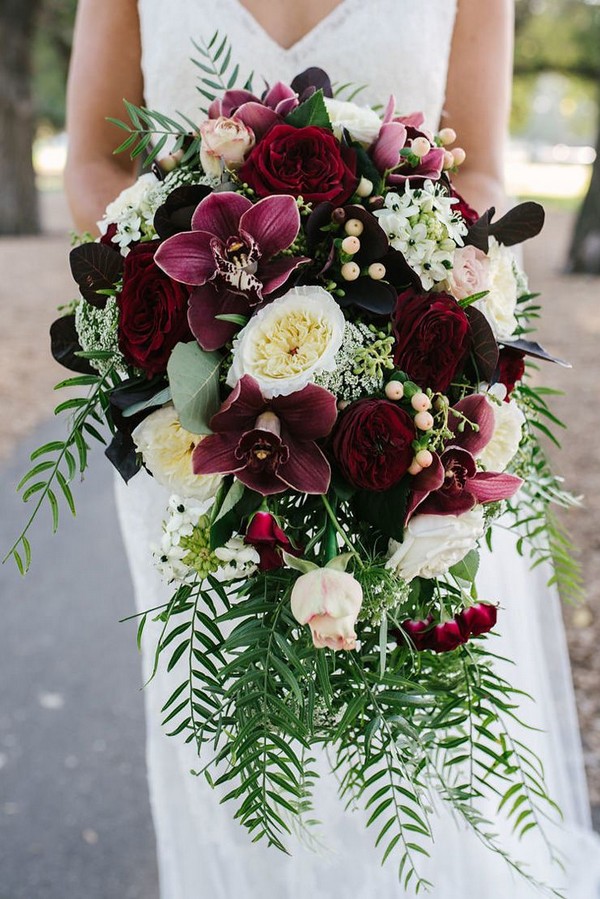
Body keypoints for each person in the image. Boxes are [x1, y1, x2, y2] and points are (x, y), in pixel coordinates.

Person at [64, 2, 600, 896]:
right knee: (229, 741)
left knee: (414, 734)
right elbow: (91, 159)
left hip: (406, 419)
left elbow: (490, 170)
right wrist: (163, 240)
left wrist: (399, 276)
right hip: (198, 415)